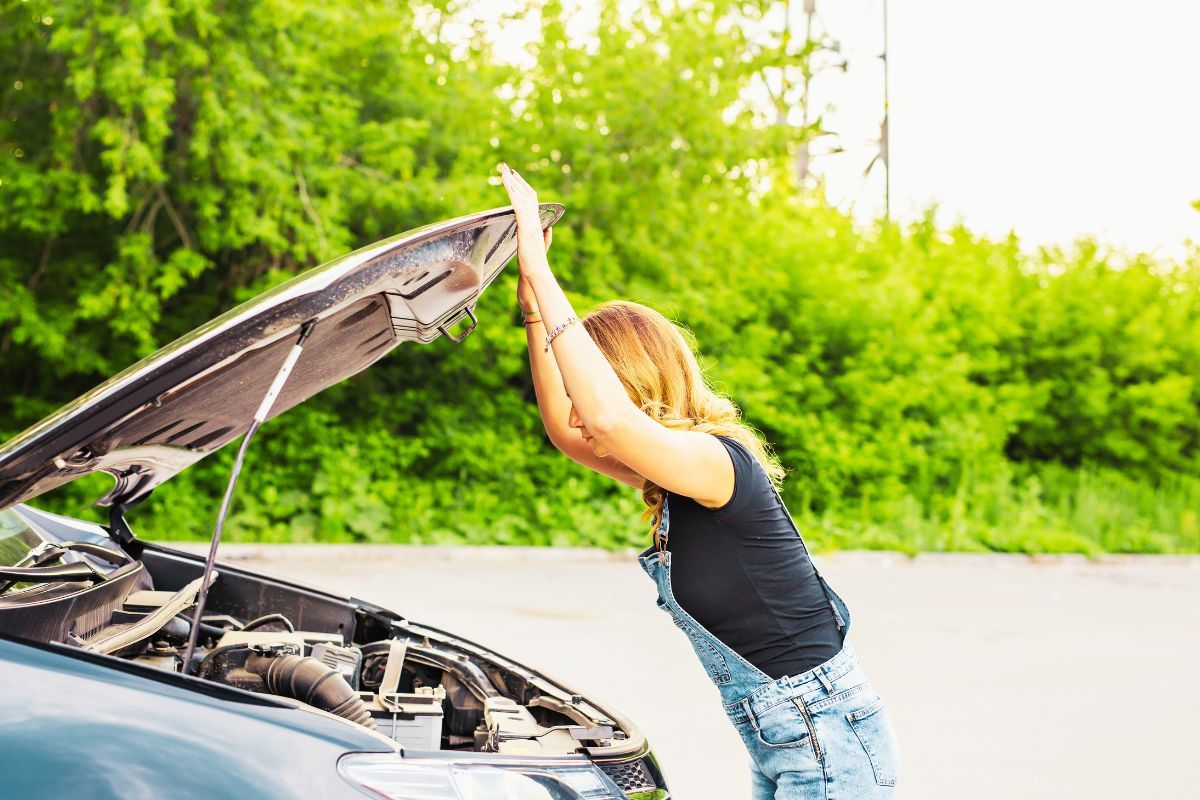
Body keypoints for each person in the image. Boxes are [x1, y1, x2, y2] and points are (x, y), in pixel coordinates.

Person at [500, 163, 900, 798]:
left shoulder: (715, 464)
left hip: (823, 733)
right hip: (790, 734)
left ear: (632, 383)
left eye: (589, 385)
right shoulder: (673, 477)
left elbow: (602, 416)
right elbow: (567, 431)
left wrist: (545, 277)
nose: (582, 407)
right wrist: (530, 306)